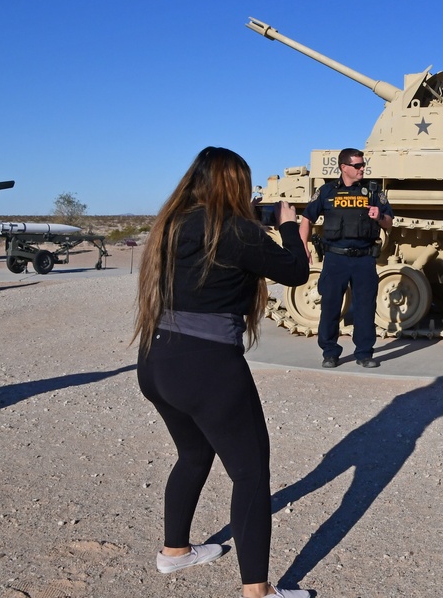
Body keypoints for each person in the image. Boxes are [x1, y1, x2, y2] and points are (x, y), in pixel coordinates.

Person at [134, 146, 311, 598]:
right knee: (251, 474)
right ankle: (258, 592)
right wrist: (290, 226)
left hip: (157, 360)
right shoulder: (234, 231)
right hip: (207, 367)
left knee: (194, 455)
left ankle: (175, 552)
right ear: (235, 187)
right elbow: (294, 271)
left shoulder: (172, 224)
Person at [299, 147, 393, 369]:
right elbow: (306, 218)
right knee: (330, 306)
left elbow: (389, 221)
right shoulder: (327, 191)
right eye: (358, 165)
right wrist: (302, 245)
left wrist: (379, 216)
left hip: (364, 259)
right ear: (344, 167)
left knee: (364, 308)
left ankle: (364, 352)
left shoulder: (372, 191)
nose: (362, 169)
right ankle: (330, 352)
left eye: (363, 165)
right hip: (335, 258)